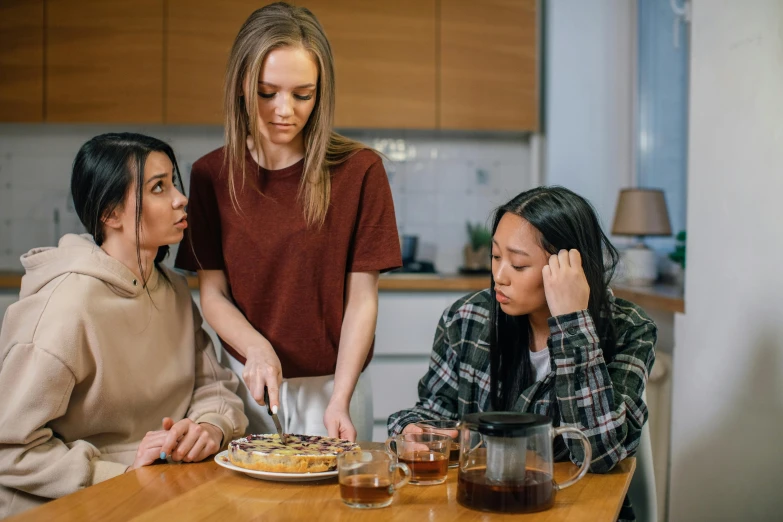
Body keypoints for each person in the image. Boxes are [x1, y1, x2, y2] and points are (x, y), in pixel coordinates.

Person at [175, 2, 401, 442]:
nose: (285, 110)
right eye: (267, 92)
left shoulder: (360, 171)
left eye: (303, 95)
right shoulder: (211, 175)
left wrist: (341, 397)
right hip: (249, 382)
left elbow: (362, 301)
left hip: (338, 386)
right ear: (242, 84)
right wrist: (257, 350)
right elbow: (214, 294)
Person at [0, 133, 248, 518]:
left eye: (173, 183)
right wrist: (117, 472)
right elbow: (10, 448)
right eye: (158, 188)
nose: (180, 198)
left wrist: (210, 427)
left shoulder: (174, 290)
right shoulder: (66, 308)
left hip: (162, 494)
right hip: (73, 508)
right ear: (111, 214)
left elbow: (214, 386)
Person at [388, 186, 656, 521]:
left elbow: (602, 454)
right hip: (481, 505)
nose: (499, 277)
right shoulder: (467, 318)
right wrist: (413, 430)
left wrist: (572, 324)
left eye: (518, 264)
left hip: (575, 508)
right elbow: (435, 410)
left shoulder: (630, 328)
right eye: (496, 257)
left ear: (567, 266)